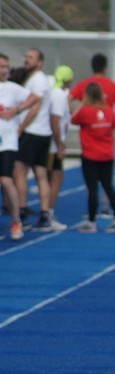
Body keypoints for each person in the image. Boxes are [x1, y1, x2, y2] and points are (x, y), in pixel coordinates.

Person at [69, 53, 115, 219]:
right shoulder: (111, 91)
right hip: (107, 138)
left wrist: (77, 107)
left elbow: (71, 101)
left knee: (91, 184)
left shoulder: (84, 88)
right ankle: (108, 210)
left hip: (90, 143)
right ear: (105, 67)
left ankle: (91, 216)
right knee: (108, 182)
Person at [71, 82, 115, 234]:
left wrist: (82, 103)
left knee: (92, 189)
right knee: (108, 187)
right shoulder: (109, 111)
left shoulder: (85, 111)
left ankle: (91, 222)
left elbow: (73, 119)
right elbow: (114, 129)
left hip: (90, 155)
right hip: (107, 155)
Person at [13, 48, 55, 231]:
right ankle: (44, 213)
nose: (26, 60)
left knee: (19, 171)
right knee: (40, 173)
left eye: (30, 57)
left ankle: (21, 210)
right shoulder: (35, 79)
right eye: (26, 56)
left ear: (39, 62)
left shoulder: (38, 80)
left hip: (33, 131)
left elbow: (35, 107)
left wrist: (21, 128)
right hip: (42, 132)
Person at [0, 53, 38, 240]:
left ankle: (16, 221)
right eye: (1, 66)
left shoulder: (12, 88)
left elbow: (35, 98)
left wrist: (17, 110)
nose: (4, 70)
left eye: (6, 66)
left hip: (7, 143)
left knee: (6, 181)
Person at [47, 65, 74, 229]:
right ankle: (48, 214)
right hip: (51, 145)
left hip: (49, 142)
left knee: (49, 178)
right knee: (56, 178)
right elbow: (55, 121)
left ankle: (46, 213)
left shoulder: (53, 93)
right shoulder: (58, 95)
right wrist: (59, 144)